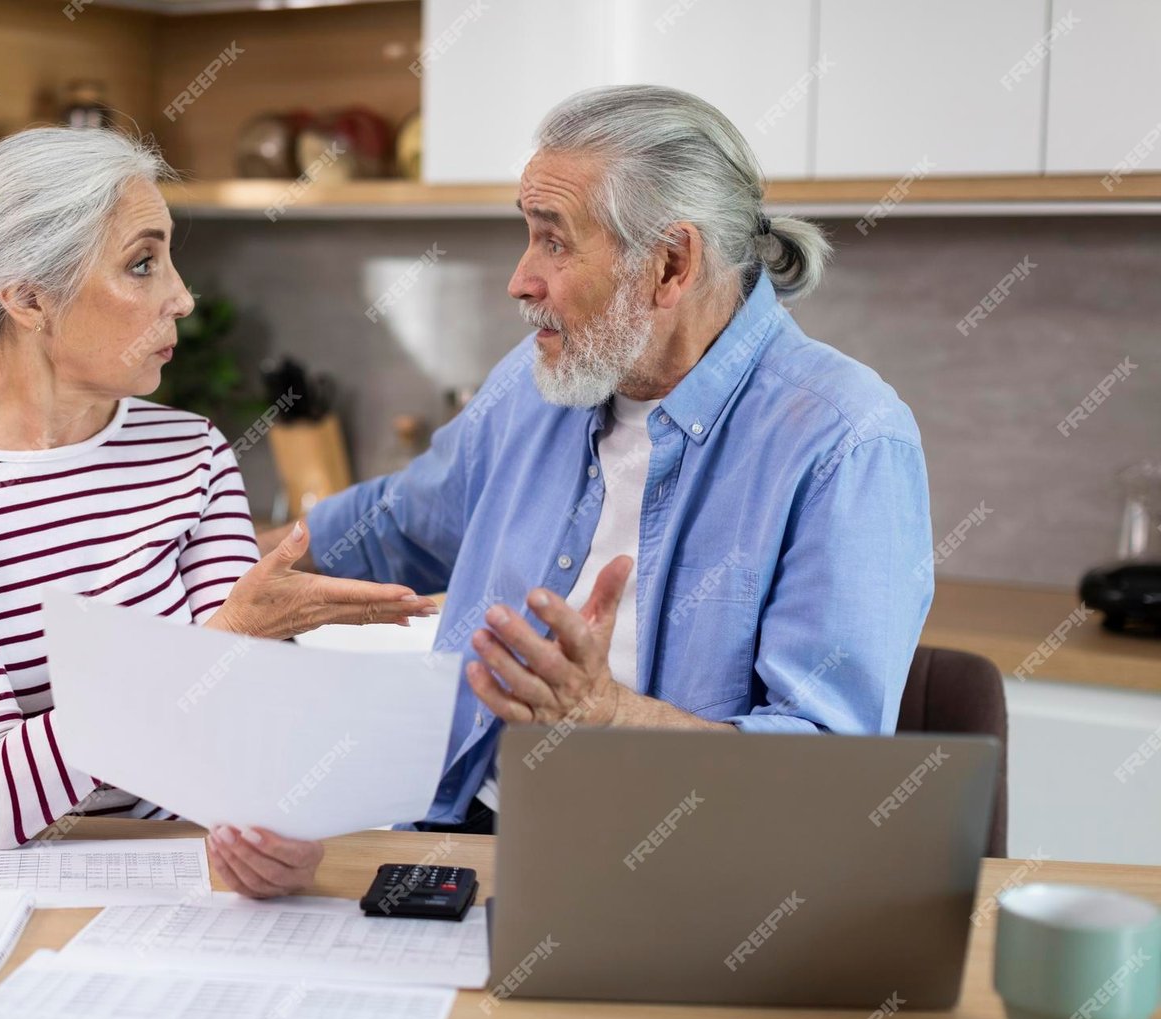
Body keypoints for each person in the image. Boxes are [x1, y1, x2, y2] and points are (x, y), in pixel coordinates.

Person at [285, 85, 934, 832]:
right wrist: (226, 564)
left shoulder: (845, 441)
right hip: (465, 828)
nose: (519, 280)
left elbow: (830, 777)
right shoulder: (535, 383)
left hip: (673, 870)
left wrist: (606, 714)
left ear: (671, 264)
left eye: (553, 241)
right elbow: (399, 523)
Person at [0, 127, 437, 896]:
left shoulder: (191, 454)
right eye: (142, 264)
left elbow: (244, 723)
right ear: (26, 298)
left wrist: (280, 825)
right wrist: (228, 636)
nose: (181, 295)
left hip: (175, 885)